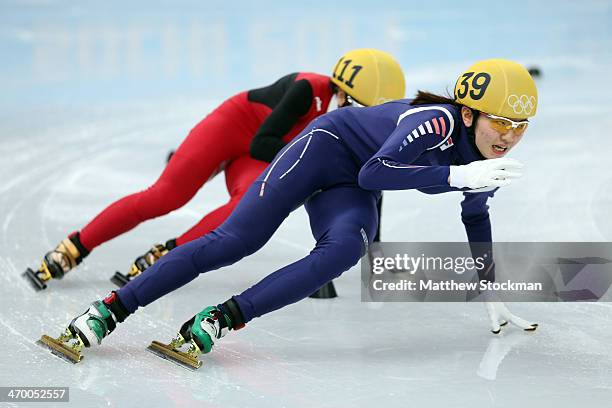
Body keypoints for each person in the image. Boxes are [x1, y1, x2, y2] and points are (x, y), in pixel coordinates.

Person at [42, 58, 538, 366]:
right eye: (502, 122)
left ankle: (218, 320)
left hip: (348, 183)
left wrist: (490, 286)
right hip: (324, 148)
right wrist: (453, 176)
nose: (510, 136)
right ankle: (109, 311)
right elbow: (375, 172)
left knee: (344, 248)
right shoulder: (432, 121)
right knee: (235, 243)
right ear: (469, 113)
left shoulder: (484, 157)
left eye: (521, 125)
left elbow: (475, 217)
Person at [24, 48, 406, 291]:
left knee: (244, 206)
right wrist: (309, 169)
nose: (363, 118)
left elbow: (376, 177)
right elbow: (263, 143)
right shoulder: (308, 88)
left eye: (371, 112)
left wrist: (376, 250)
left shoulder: (357, 123)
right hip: (236, 129)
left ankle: (168, 252)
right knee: (165, 196)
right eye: (356, 106)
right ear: (340, 90)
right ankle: (74, 247)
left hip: (257, 157)